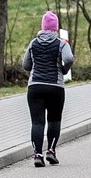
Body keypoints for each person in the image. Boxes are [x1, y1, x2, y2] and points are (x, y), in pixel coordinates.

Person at [22, 11, 74, 167]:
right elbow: (69, 58)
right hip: (55, 87)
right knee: (54, 120)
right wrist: (64, 70)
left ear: (42, 27)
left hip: (35, 87)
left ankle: (38, 154)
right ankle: (50, 151)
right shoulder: (61, 44)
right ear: (55, 28)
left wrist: (33, 69)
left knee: (37, 123)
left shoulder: (33, 43)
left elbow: (26, 65)